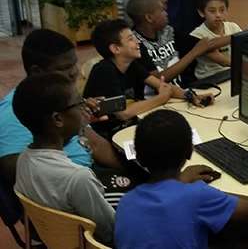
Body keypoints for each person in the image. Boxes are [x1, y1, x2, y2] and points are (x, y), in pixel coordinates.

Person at [114, 109, 248, 249]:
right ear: (189, 151)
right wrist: (211, 193)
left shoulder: (125, 202)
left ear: (139, 157)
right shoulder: (197, 196)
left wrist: (181, 184)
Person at [0, 29, 123, 188]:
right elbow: (14, 172)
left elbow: (95, 144)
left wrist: (135, 171)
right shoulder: (14, 110)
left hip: (90, 173)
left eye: (74, 64)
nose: (74, 72)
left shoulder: (62, 94)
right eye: (65, 67)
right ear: (37, 72)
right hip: (70, 189)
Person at [14, 72, 115, 243]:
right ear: (58, 119)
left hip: (57, 241)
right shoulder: (78, 178)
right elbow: (111, 231)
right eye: (79, 103)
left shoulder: (23, 159)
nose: (84, 108)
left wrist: (82, 125)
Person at [83, 19, 212, 137]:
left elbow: (162, 86)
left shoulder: (131, 64)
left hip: (128, 126)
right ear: (116, 48)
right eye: (130, 39)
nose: (138, 42)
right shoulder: (104, 71)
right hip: (107, 134)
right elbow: (123, 113)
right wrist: (161, 98)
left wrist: (191, 96)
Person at [127, 0, 227, 88]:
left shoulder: (168, 30)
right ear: (149, 18)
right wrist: (193, 53)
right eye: (162, 10)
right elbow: (158, 80)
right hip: (155, 100)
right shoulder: (135, 44)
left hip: (181, 91)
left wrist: (238, 36)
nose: (166, 13)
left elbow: (205, 44)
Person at [189, 0, 242, 80]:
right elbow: (223, 61)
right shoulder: (197, 34)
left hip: (230, 73)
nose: (218, 15)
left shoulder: (233, 27)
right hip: (209, 78)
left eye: (222, 10)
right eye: (212, 11)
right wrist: (245, 66)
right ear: (201, 12)